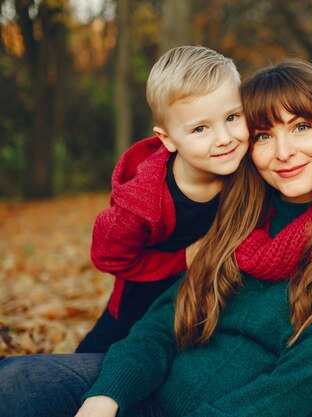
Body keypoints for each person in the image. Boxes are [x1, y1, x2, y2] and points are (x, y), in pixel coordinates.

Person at [0, 59, 312, 417]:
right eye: (263, 136)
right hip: (155, 389)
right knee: (15, 383)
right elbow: (165, 319)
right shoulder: (245, 211)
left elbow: (293, 390)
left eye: (301, 127)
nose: (283, 152)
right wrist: (107, 396)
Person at [76, 45, 249, 353]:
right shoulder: (141, 204)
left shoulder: (247, 171)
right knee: (102, 355)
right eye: (200, 128)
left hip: (201, 303)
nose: (224, 138)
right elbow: (108, 257)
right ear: (167, 138)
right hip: (141, 301)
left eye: (233, 117)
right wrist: (181, 259)